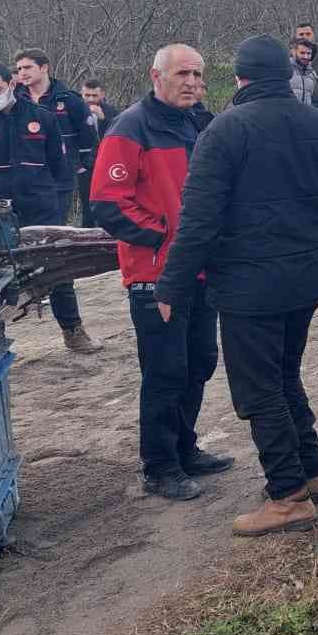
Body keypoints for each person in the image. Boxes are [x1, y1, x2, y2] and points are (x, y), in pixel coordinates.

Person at [154, 35, 318, 538]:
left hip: (248, 288)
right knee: (287, 377)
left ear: (240, 78)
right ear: (285, 75)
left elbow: (197, 222)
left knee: (259, 390)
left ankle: (287, 497)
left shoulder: (223, 131)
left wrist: (171, 287)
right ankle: (312, 474)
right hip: (304, 281)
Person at [89, 45, 232, 501]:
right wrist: (164, 237)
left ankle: (185, 449)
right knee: (165, 370)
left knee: (200, 362)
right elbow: (107, 204)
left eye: (198, 73)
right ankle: (159, 465)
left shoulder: (198, 123)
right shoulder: (131, 127)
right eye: (182, 73)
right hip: (155, 275)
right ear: (156, 75)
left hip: (201, 272)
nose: (192, 81)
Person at [0, 61, 96, 354]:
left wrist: (56, 203)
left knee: (59, 272)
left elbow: (60, 166)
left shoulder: (42, 117)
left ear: (12, 85)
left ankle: (73, 331)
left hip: (41, 206)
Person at [12, 48, 98, 352]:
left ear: (44, 68)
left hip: (57, 188)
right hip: (19, 192)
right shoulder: (14, 102)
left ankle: (73, 329)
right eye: (18, 68)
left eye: (27, 67)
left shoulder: (68, 100)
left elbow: (89, 142)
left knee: (54, 252)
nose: (22, 73)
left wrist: (78, 172)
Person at [76, 78, 117, 220]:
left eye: (95, 96)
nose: (91, 99)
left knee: (107, 203)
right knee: (87, 205)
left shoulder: (111, 111)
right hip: (84, 165)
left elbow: (116, 138)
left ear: (103, 94)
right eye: (87, 95)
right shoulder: (75, 110)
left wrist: (103, 119)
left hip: (106, 164)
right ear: (81, 94)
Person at [289, 39, 318, 106]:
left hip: (305, 114)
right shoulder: (285, 70)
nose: (306, 57)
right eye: (302, 53)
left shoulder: (312, 74)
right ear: (294, 52)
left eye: (308, 53)